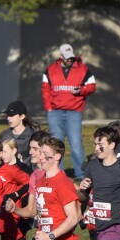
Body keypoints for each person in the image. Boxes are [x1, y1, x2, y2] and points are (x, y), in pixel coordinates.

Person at [41, 43, 96, 179]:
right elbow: (45, 89)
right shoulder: (50, 70)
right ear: (61, 57)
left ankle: (81, 174)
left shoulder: (83, 69)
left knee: (76, 143)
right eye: (67, 58)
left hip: (74, 111)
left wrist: (81, 91)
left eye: (71, 57)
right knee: (55, 143)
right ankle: (57, 172)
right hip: (55, 112)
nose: (70, 60)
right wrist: (48, 107)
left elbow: (92, 86)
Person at [0, 101, 39, 166]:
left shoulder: (32, 136)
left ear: (22, 116)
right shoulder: (4, 135)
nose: (8, 118)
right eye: (8, 115)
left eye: (12, 115)